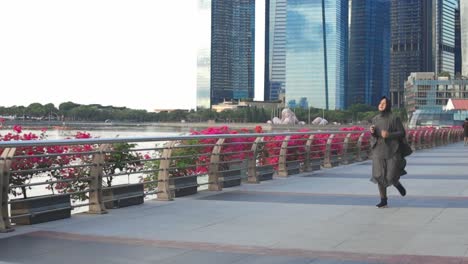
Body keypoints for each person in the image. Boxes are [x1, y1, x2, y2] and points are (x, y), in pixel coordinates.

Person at [370, 96, 407, 208]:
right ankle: (383, 200)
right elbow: (376, 134)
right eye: (380, 103)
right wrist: (372, 132)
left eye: (384, 103)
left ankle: (396, 183)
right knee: (379, 175)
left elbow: (402, 133)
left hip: (392, 149)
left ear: (388, 105)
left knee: (390, 176)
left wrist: (389, 135)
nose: (381, 105)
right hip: (378, 150)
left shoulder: (394, 118)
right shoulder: (375, 119)